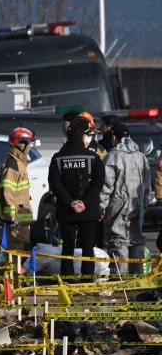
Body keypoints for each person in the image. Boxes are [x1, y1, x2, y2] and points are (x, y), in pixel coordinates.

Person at [48, 116, 105, 281]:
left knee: (67, 247)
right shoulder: (93, 158)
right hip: (88, 210)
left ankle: (67, 279)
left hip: (66, 211)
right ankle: (87, 280)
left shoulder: (57, 158)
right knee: (88, 247)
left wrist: (71, 202)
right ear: (82, 137)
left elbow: (55, 183)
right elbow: (98, 182)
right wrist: (84, 202)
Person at [100, 122, 151, 277]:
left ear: (114, 138)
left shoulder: (113, 157)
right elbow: (147, 185)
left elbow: (105, 187)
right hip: (138, 204)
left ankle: (119, 279)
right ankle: (138, 278)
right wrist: (144, 204)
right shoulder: (141, 156)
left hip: (118, 205)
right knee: (136, 240)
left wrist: (101, 208)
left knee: (118, 240)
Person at [0, 127, 35, 252]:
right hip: (17, 220)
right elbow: (8, 193)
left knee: (18, 250)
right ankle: (15, 272)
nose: (30, 147)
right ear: (22, 144)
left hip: (20, 219)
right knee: (17, 251)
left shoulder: (18, 162)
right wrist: (12, 219)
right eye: (29, 143)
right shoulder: (13, 165)